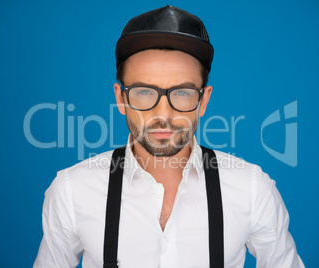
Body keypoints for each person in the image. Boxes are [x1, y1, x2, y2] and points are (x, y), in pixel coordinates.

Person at [34, 5, 305, 268]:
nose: (163, 113)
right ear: (120, 97)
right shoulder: (72, 190)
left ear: (204, 100)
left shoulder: (253, 190)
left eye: (183, 92)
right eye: (143, 91)